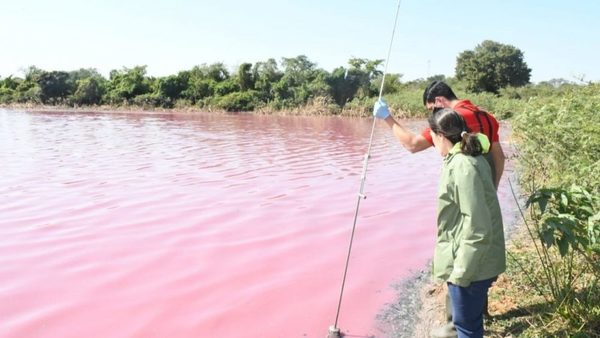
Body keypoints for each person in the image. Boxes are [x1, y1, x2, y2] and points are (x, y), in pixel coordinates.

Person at [428, 108, 506, 338]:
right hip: (474, 260)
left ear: (440, 135)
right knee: (469, 324)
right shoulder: (463, 158)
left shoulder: (462, 166)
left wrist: (461, 273)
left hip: (472, 266)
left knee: (466, 328)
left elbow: (478, 226)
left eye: (432, 136)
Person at [372, 81, 505, 189]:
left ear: (439, 101)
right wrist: (494, 188)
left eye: (432, 109)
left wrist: (387, 117)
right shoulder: (488, 117)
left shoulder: (450, 119)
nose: (433, 115)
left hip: (463, 185)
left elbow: (413, 144)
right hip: (486, 186)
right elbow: (499, 157)